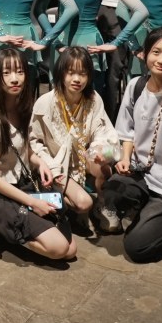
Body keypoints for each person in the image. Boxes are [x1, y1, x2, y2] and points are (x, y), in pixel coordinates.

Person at [0, 47, 76, 263]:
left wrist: (40, 162)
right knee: (60, 248)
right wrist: (32, 203)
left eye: (20, 71)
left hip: (20, 184)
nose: (14, 79)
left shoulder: (22, 106)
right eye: (6, 73)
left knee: (70, 249)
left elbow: (25, 149)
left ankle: (1, 227)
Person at [101, 27, 162, 261]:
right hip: (140, 172)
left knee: (136, 248)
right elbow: (126, 131)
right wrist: (125, 158)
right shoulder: (136, 86)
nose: (161, 60)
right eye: (156, 52)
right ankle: (143, 209)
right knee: (111, 190)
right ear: (144, 54)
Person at [30, 48, 118, 230]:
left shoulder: (94, 99)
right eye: (70, 73)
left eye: (82, 74)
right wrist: (49, 166)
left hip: (82, 162)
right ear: (61, 73)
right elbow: (33, 142)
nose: (77, 79)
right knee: (84, 203)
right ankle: (61, 203)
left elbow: (106, 135)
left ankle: (102, 204)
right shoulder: (45, 103)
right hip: (56, 166)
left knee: (105, 167)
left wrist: (100, 150)